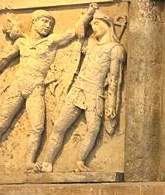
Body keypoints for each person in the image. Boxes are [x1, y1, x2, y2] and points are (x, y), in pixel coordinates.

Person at [0, 5, 97, 174]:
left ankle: (29, 163)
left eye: (50, 23)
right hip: (18, 85)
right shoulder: (22, 42)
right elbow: (5, 59)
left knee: (38, 127)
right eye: (44, 21)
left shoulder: (51, 42)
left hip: (36, 88)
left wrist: (88, 15)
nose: (47, 26)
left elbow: (72, 33)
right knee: (2, 124)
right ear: (34, 22)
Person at [36, 9, 126, 172]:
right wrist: (88, 15)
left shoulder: (116, 49)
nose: (93, 26)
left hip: (95, 92)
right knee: (60, 126)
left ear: (107, 24)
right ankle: (46, 163)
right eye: (92, 24)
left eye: (97, 23)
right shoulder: (91, 44)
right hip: (78, 88)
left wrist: (112, 104)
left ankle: (80, 162)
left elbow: (114, 79)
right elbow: (78, 31)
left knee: (93, 129)